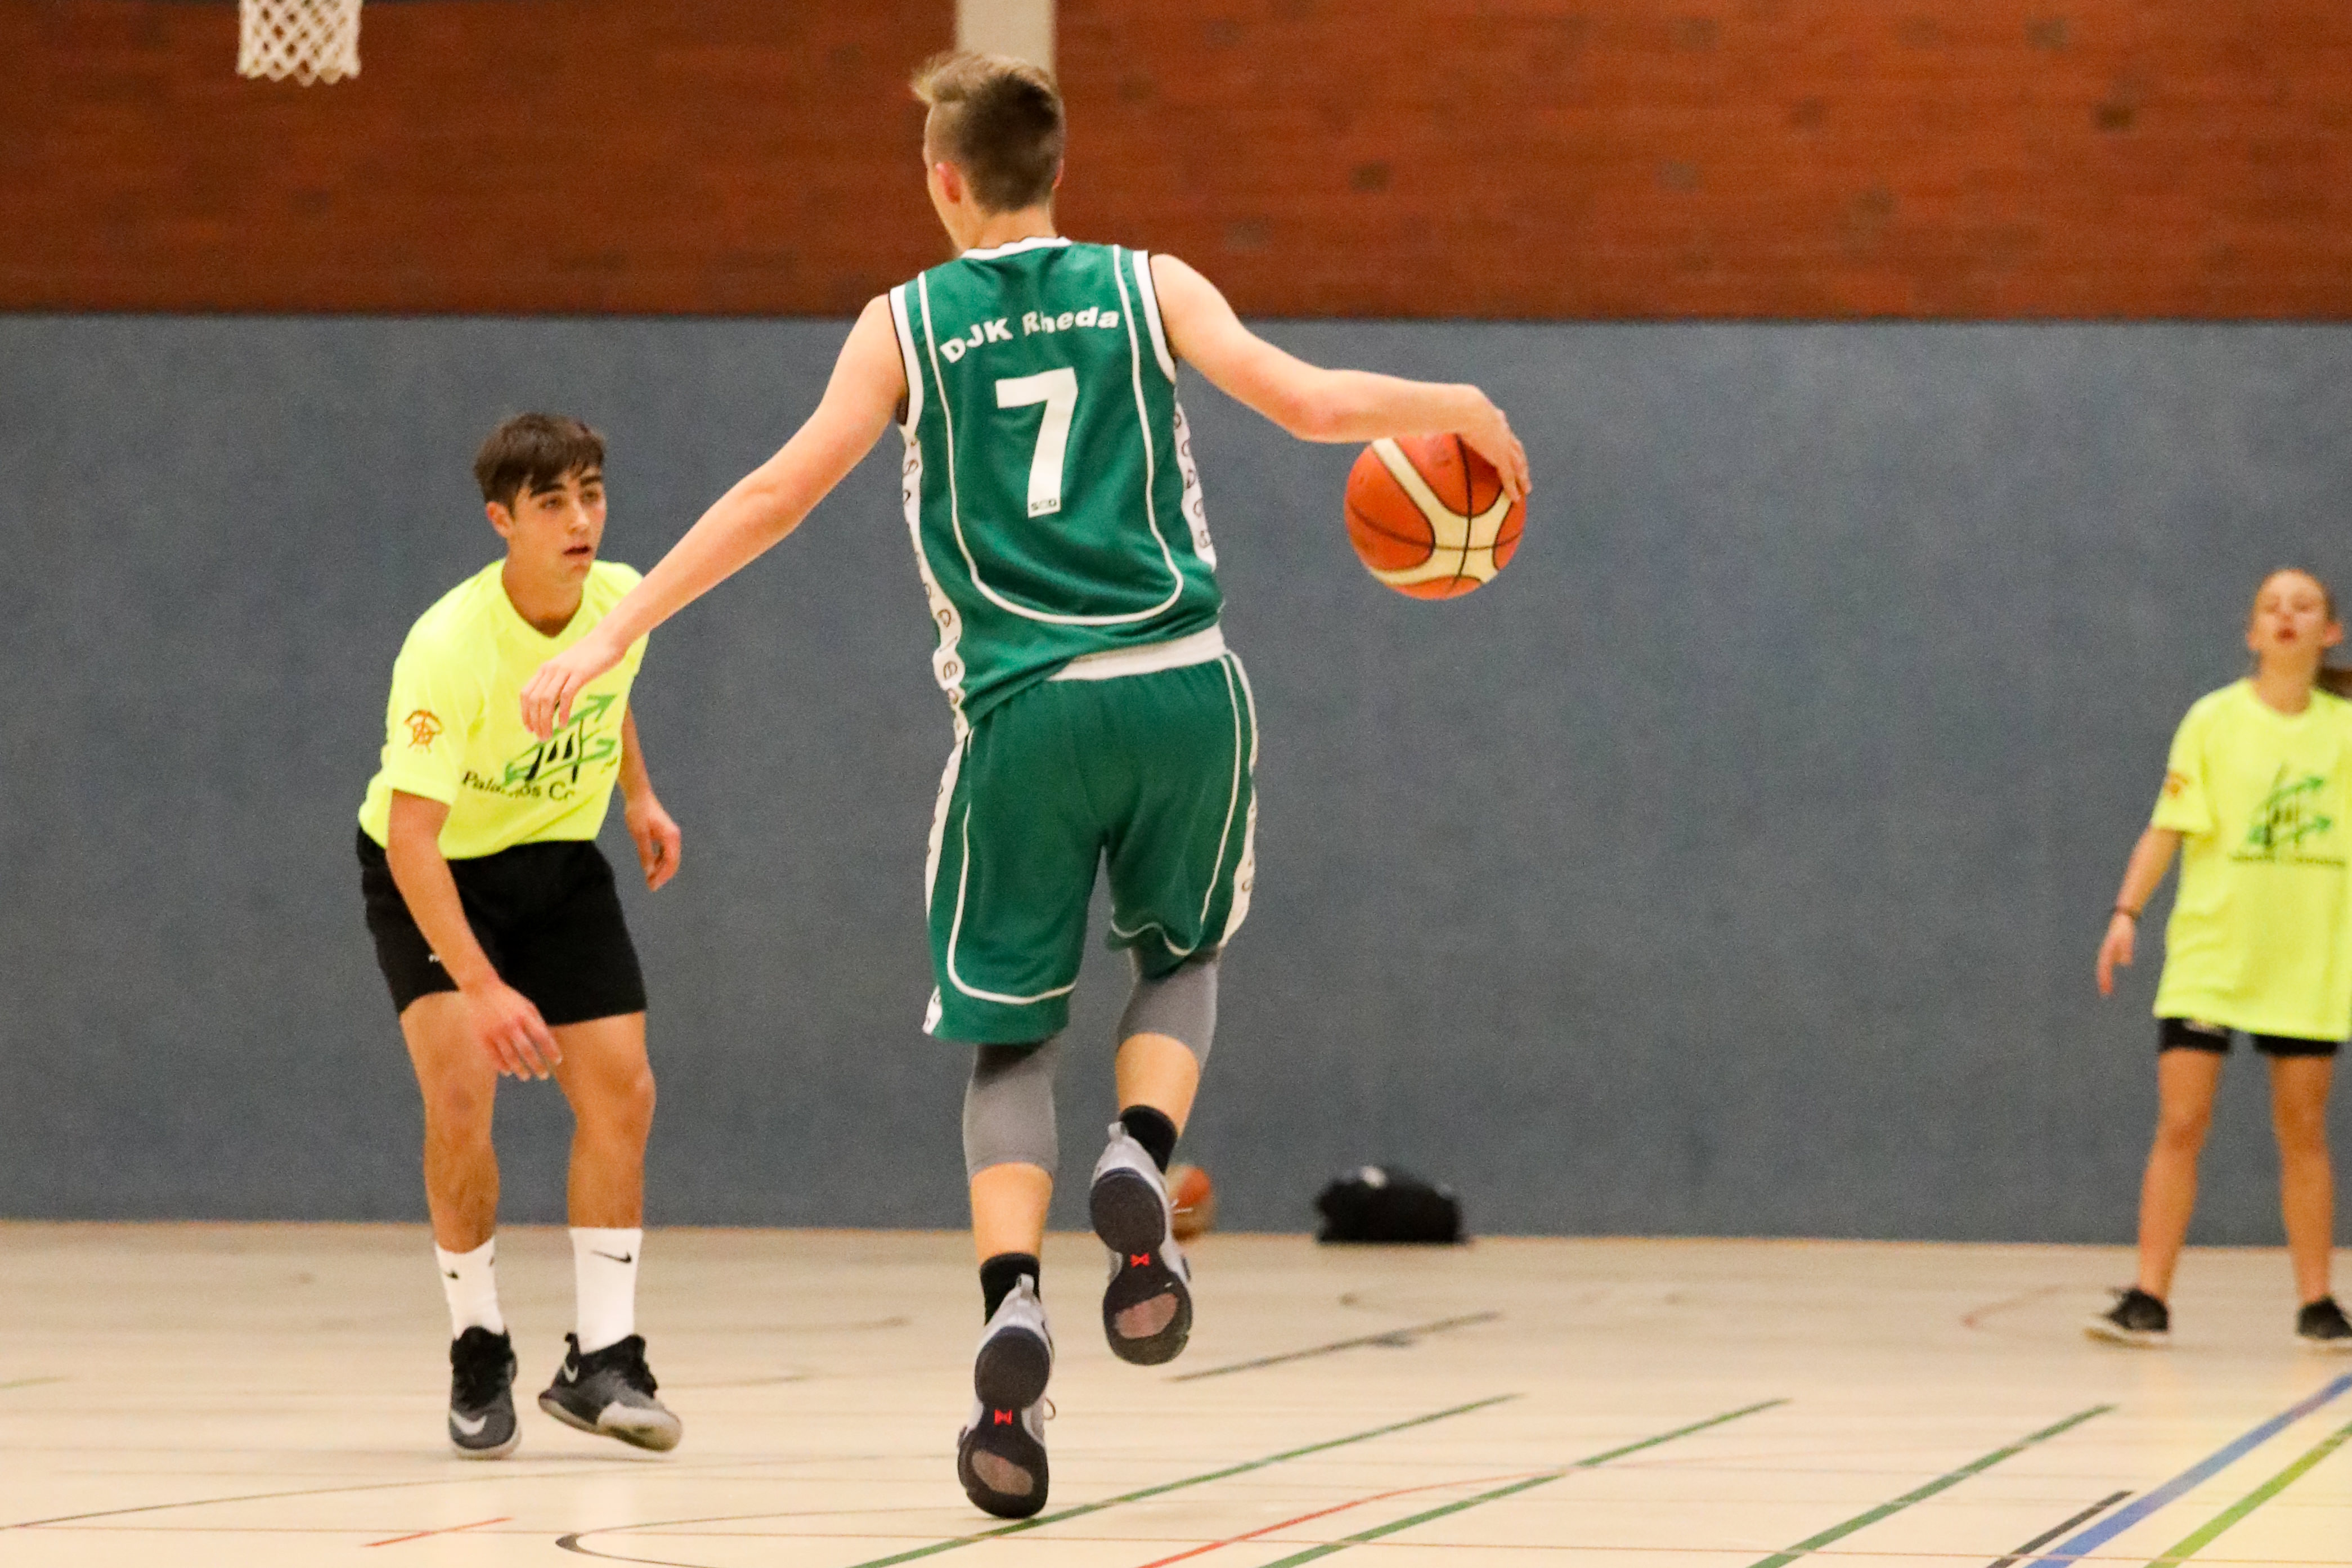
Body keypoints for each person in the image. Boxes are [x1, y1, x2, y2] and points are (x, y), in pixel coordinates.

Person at [517, 53, 1530, 1515]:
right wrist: (1459, 398)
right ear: (1057, 170)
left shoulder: (902, 322)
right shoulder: (1147, 284)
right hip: (1183, 687)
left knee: (1008, 1045)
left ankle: (1013, 1320)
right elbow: (1311, 404)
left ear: (943, 181)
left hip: (1021, 712)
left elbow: (775, 495)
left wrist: (611, 633)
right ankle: (1144, 1152)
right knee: (1181, 958)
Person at [357, 413, 688, 1457]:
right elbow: (412, 840)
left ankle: (604, 1358)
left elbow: (607, 686)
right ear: (503, 520)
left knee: (624, 1090)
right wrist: (483, 985)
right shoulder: (448, 649)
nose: (581, 519)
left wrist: (639, 795)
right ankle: (477, 1340)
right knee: (462, 1096)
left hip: (557, 860)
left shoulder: (621, 598)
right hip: (441, 872)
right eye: (552, 503)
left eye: (592, 494)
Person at [2091, 566, 2352, 1351]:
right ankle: (2148, 1298)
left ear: (2329, 633)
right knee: (2182, 1121)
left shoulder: (2344, 731)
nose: (2286, 616)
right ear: (2252, 632)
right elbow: (2168, 825)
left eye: (2303, 606)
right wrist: (2126, 912)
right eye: (2271, 606)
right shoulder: (2212, 720)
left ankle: (2318, 1305)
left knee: (2303, 1130)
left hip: (2306, 959)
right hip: (2213, 953)